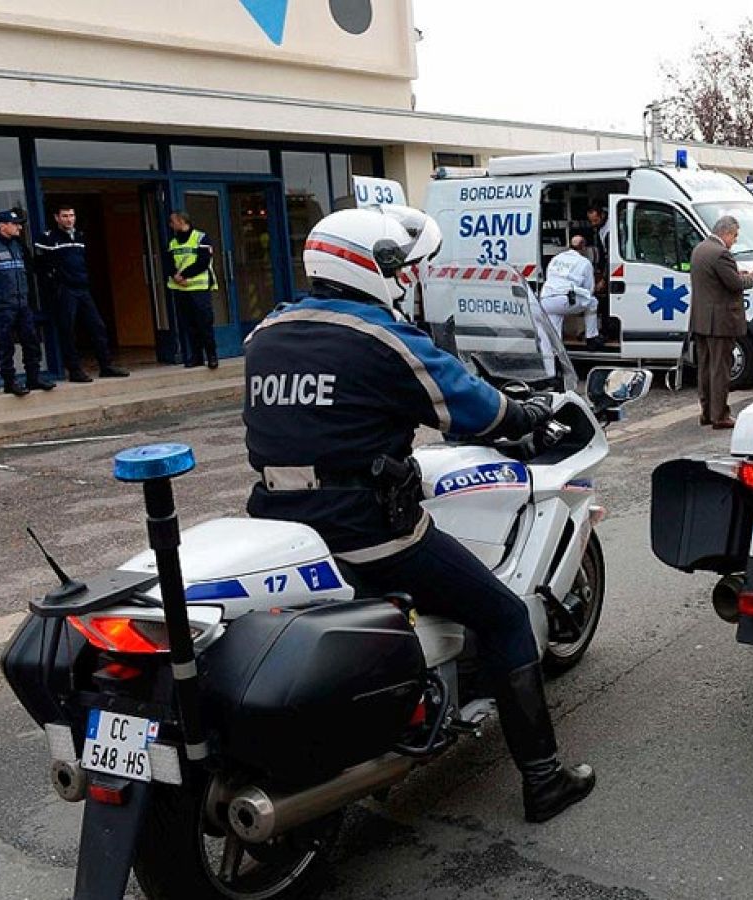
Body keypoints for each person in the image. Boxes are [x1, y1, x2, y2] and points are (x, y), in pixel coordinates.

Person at [242, 206, 595, 823]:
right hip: (369, 531)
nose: (405, 280)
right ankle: (544, 781)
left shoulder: (265, 334)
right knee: (506, 616)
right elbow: (476, 409)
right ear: (370, 267)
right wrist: (529, 413)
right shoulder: (382, 337)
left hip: (281, 524)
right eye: (398, 269)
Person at [34, 205, 129, 382]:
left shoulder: (80, 236)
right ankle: (75, 370)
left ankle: (106, 366)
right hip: (64, 290)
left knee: (98, 326)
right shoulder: (48, 238)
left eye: (71, 215)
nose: (69, 219)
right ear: (56, 218)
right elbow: (40, 267)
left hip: (82, 288)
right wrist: (55, 285)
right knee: (68, 330)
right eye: (65, 216)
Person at [0, 209, 54, 397]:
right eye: (15, 224)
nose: (19, 227)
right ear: (2, 226)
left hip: (22, 304)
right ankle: (10, 382)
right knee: (5, 345)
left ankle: (33, 378)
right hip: (2, 306)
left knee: (31, 341)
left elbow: (28, 274)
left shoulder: (18, 248)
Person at [689, 215, 753, 429]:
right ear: (726, 233)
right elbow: (735, 284)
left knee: (705, 368)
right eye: (734, 236)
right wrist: (751, 277)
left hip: (701, 320)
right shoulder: (721, 253)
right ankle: (719, 415)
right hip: (720, 321)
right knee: (720, 369)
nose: (734, 241)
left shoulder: (700, 249)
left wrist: (735, 274)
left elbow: (715, 280)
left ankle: (707, 412)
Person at [165, 210, 219, 369]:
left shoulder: (201, 238)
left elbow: (203, 261)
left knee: (205, 323)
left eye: (173, 221)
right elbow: (168, 262)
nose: (170, 225)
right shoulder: (173, 242)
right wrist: (175, 275)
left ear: (182, 221)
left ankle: (212, 355)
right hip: (180, 289)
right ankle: (196, 357)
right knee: (189, 324)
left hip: (199, 287)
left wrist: (183, 275)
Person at [539, 236, 603, 348]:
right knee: (592, 302)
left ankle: (554, 353)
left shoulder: (556, 258)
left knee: (554, 328)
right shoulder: (584, 262)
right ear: (583, 247)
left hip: (546, 298)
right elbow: (589, 290)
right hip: (565, 299)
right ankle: (591, 338)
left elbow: (549, 277)